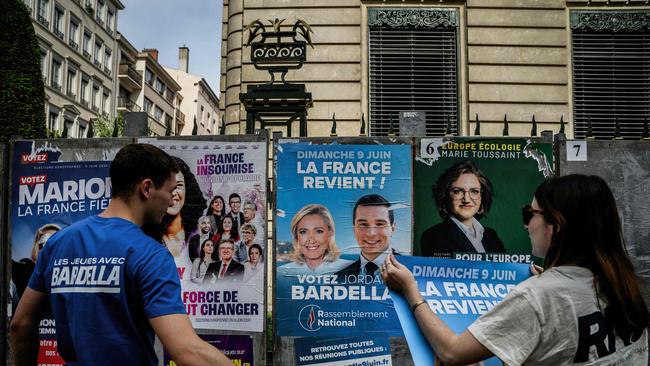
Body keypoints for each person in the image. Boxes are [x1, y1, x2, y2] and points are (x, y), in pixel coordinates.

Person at [382, 174, 648, 365]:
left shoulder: (536, 296)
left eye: (529, 214)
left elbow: (452, 353)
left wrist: (410, 291)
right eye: (457, 191)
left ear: (556, 226)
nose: (525, 225)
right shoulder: (621, 285)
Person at [10, 143, 231, 365]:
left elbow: (20, 325)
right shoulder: (150, 255)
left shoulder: (58, 243)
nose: (172, 199)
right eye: (170, 190)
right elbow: (187, 351)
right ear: (146, 188)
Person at [420, 160, 506, 258]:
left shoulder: (491, 235)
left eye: (474, 191)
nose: (466, 199)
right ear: (445, 196)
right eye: (457, 191)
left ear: (482, 197)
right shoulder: (432, 236)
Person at [145, 156, 206, 259]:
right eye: (165, 186)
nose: (173, 193)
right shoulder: (144, 236)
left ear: (187, 189)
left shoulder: (198, 231)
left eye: (179, 185)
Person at [279, 204, 350, 275]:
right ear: (297, 236)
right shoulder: (281, 274)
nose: (311, 240)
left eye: (319, 231)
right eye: (303, 232)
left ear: (330, 233)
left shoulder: (351, 269)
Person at [336, 194, 396, 278]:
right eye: (363, 224)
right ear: (354, 229)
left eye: (379, 224)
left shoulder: (412, 269)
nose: (371, 233)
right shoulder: (338, 278)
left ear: (392, 229)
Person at [12, 223, 61, 300]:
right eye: (42, 245)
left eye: (54, 244)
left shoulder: (67, 274)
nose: (48, 250)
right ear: (37, 247)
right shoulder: (26, 270)